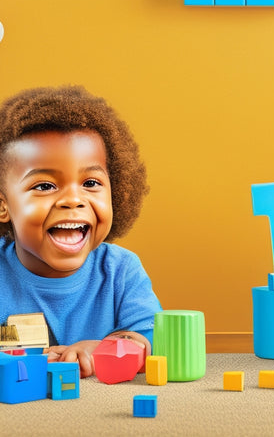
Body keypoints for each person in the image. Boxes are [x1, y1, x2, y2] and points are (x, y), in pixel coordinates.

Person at [0, 86, 162, 376]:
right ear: (4, 205)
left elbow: (152, 340)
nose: (73, 200)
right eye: (44, 186)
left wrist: (105, 348)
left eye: (90, 183)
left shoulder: (120, 271)